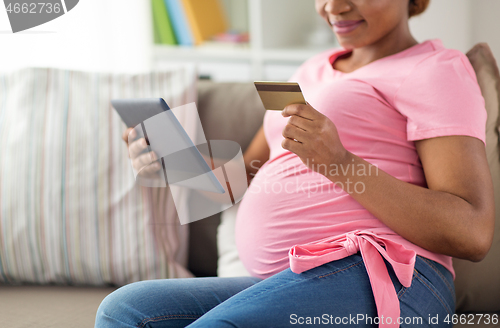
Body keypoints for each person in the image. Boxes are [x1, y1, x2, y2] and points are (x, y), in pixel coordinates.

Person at [95, 0, 495, 327]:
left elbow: (472, 232)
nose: (332, 6)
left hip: (391, 278)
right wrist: (171, 162)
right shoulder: (311, 70)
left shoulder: (437, 69)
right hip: (286, 281)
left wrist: (340, 164)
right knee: (125, 311)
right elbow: (237, 180)